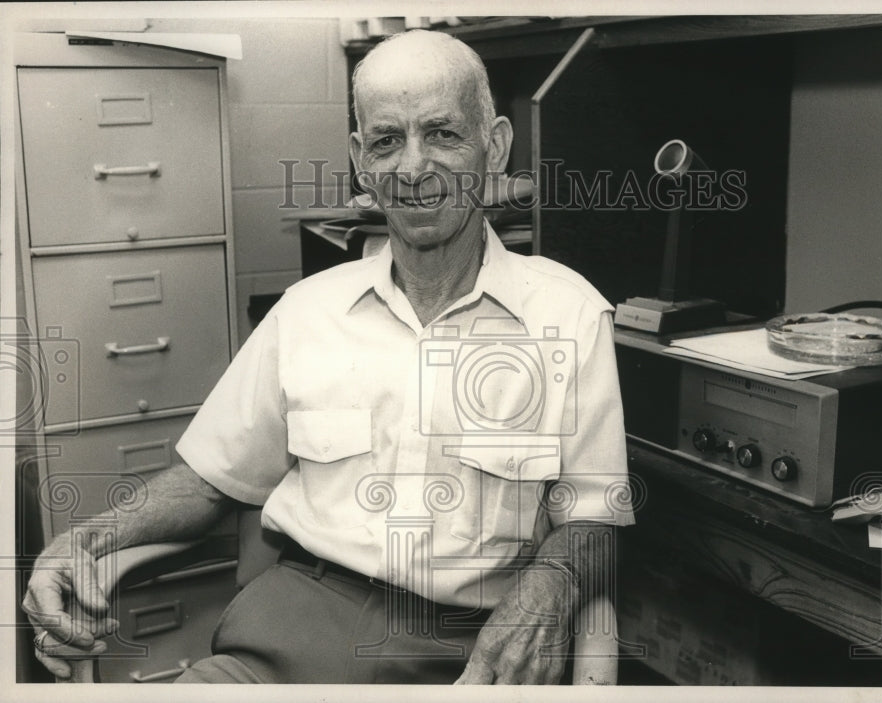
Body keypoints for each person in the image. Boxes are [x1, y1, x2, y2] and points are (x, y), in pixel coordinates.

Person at [22, 29, 634, 685]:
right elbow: (206, 481)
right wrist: (81, 541)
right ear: (360, 162)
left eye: (443, 134)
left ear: (497, 145)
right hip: (278, 641)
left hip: (458, 659)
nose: (413, 167)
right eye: (386, 141)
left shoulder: (568, 314)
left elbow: (597, 518)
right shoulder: (306, 310)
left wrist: (549, 582)